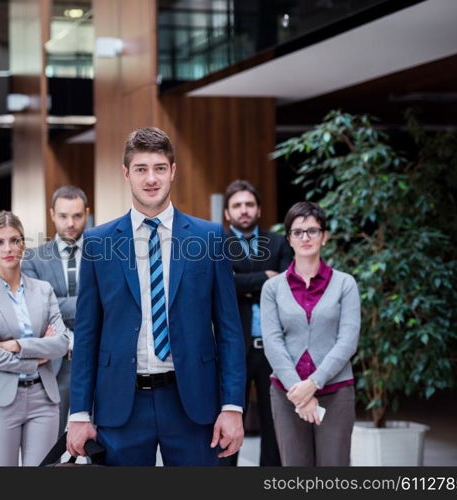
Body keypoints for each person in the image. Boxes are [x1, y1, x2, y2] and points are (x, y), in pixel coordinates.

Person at [67, 127, 246, 466]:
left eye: (160, 168)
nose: (151, 179)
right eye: (141, 169)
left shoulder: (209, 238)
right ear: (126, 173)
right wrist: (78, 412)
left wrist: (232, 406)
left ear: (173, 171)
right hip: (121, 406)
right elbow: (87, 334)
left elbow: (229, 331)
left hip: (193, 404)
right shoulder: (97, 242)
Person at [261, 201, 360, 466]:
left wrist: (313, 384)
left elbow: (348, 341)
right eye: (298, 231)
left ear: (324, 236)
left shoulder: (345, 284)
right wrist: (298, 392)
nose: (305, 237)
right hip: (286, 395)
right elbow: (272, 342)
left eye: (313, 231)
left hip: (336, 393)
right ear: (289, 239)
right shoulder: (272, 287)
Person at [0, 210, 70, 466]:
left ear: (23, 244)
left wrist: (17, 345)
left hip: (43, 400)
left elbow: (61, 342)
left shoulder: (43, 290)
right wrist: (36, 358)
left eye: (14, 240)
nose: (8, 248)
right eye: (0, 242)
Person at [221, 179, 291, 467]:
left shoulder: (279, 242)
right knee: (228, 421)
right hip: (234, 348)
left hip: (273, 348)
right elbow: (222, 286)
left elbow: (287, 284)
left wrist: (241, 283)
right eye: (237, 205)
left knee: (274, 423)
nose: (244, 210)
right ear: (227, 213)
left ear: (259, 210)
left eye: (249, 204)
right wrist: (264, 277)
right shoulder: (217, 244)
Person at [22, 185, 89, 438]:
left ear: (87, 213)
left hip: (96, 362)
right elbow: (37, 308)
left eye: (77, 216)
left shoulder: (104, 255)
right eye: (63, 216)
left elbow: (111, 304)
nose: (70, 223)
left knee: (102, 446)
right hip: (54, 364)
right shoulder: (32, 259)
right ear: (52, 214)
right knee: (51, 444)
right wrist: (87, 303)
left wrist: (57, 304)